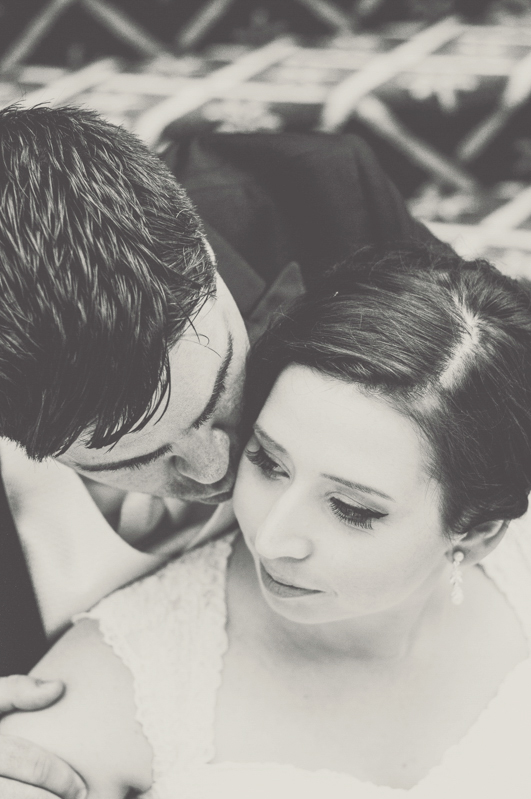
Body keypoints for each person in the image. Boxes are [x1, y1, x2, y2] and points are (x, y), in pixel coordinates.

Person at [0, 106, 437, 798]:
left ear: (199, 248)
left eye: (218, 394)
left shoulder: (319, 195)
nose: (214, 469)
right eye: (129, 457)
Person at [2, 242, 531, 797]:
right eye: (266, 461)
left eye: (351, 509)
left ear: (476, 534)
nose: (271, 538)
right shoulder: (121, 683)